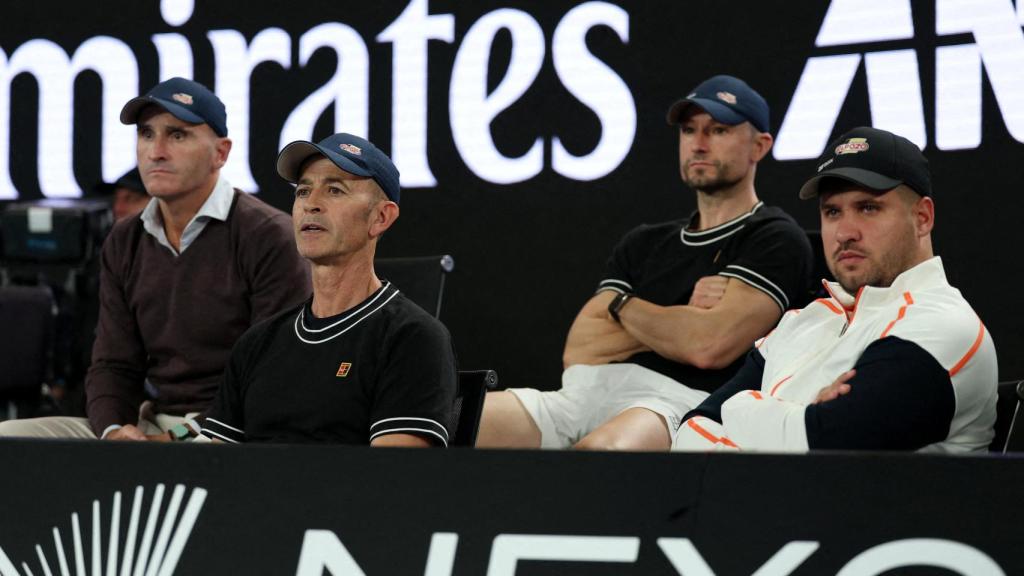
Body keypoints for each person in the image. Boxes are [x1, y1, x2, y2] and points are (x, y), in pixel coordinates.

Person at [476, 75, 813, 451]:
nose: (699, 144)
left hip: (673, 401)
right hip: (582, 392)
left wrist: (619, 309)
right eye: (689, 130)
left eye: (718, 130)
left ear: (759, 146)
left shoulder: (773, 236)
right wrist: (681, 315)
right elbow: (579, 347)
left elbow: (707, 346)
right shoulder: (645, 242)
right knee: (450, 419)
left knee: (599, 454)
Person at [0, 77, 310, 441]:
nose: (156, 151)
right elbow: (113, 364)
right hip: (153, 422)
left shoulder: (268, 235)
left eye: (177, 136)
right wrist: (115, 430)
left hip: (235, 429)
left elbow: (270, 377)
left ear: (220, 153)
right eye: (146, 134)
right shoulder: (125, 239)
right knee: (11, 439)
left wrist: (179, 436)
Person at [674, 126, 997, 453]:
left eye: (868, 208)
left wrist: (739, 406)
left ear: (923, 218)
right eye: (832, 212)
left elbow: (828, 450)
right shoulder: (804, 320)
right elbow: (690, 431)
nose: (844, 232)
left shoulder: (942, 325)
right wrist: (802, 415)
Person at [199, 133, 457, 446]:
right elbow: (214, 472)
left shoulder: (412, 338)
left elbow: (394, 483)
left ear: (380, 217)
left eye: (335, 190)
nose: (311, 204)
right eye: (303, 191)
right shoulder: (256, 343)